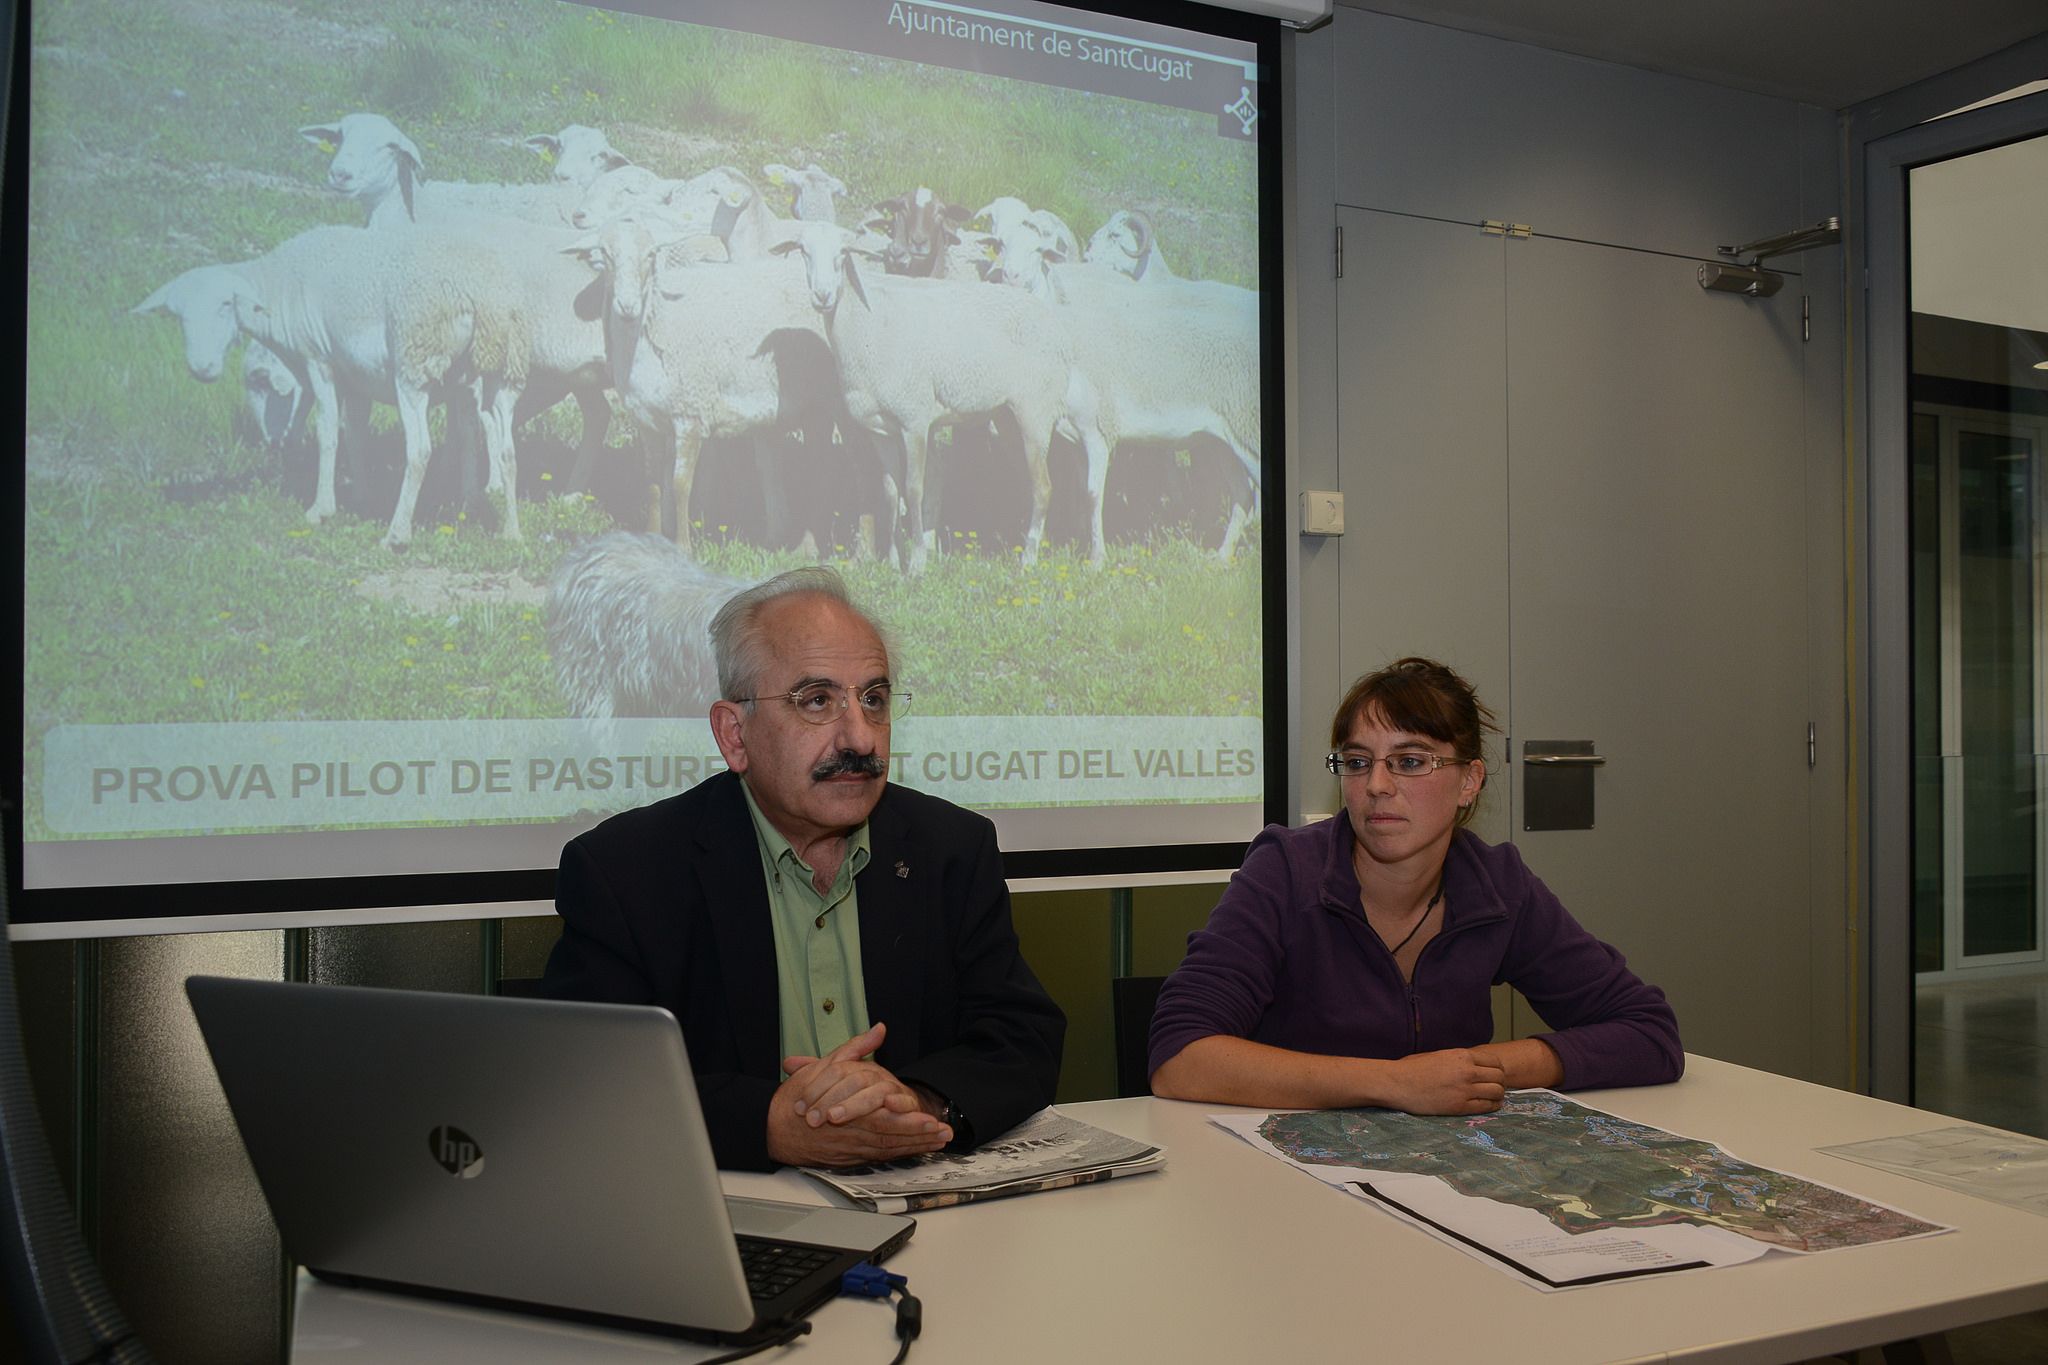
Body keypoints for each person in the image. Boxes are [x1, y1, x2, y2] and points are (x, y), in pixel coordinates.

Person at [540, 566, 1065, 1170]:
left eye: (874, 699)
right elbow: (591, 1083)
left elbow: (1024, 1036)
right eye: (817, 700)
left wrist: (914, 1099)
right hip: (734, 1218)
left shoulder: (950, 847)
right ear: (734, 735)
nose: (861, 738)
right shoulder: (627, 871)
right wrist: (770, 1125)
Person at [1148, 656, 1680, 1114]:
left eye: (1409, 762)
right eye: (1358, 762)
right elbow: (1180, 1057)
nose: (1377, 786)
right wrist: (1394, 1083)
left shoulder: (1496, 884)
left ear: (1469, 782)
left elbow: (1648, 1032)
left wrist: (1480, 1071)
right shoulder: (1286, 871)